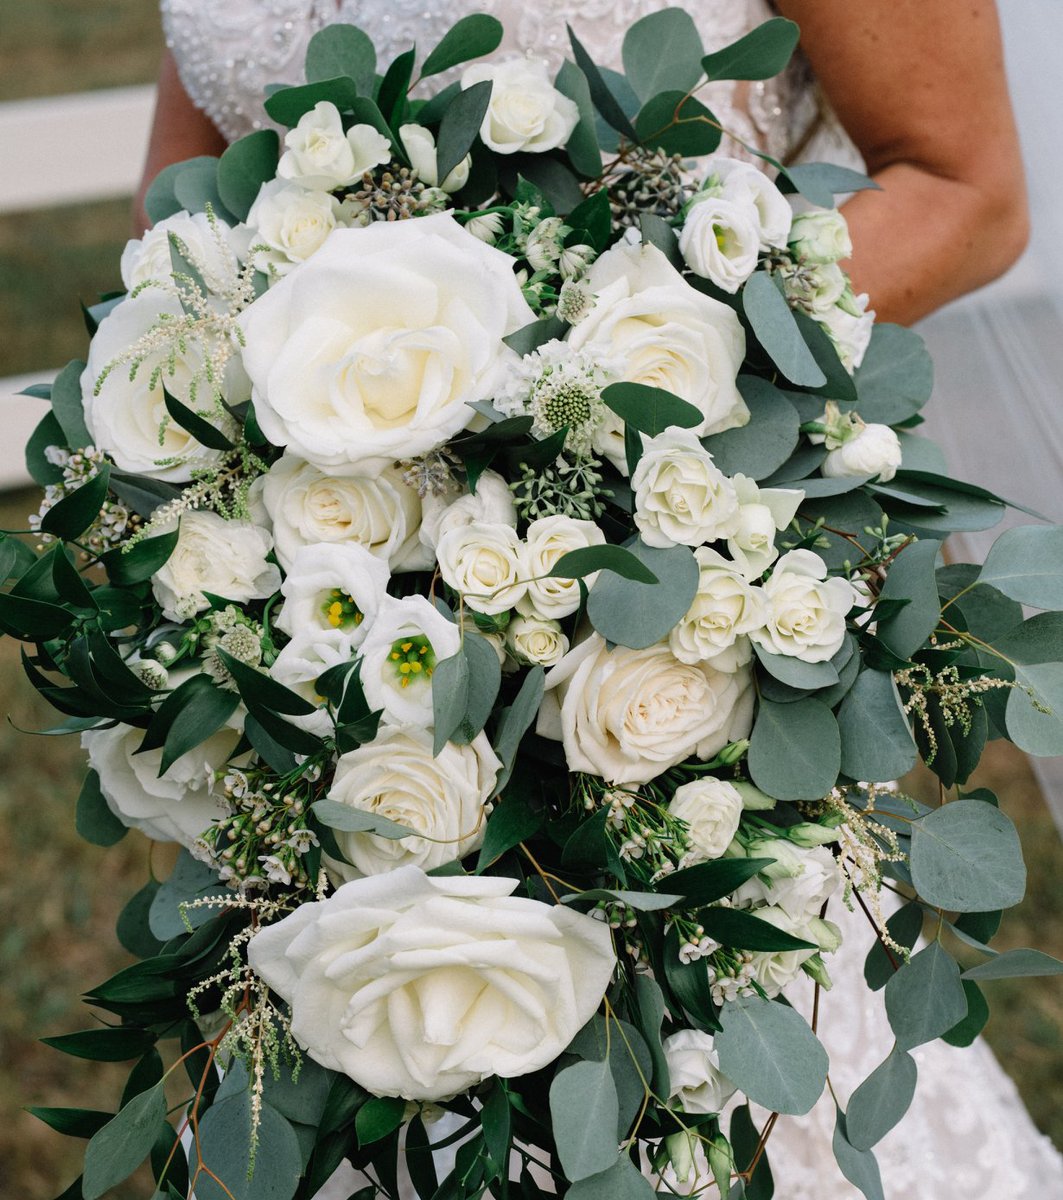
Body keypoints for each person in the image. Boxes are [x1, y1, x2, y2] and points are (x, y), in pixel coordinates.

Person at [141, 2, 1062, 1197]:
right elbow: (187, 210)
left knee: (690, 1066)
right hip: (328, 607)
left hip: (651, 588)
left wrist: (589, 417)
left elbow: (964, 189)